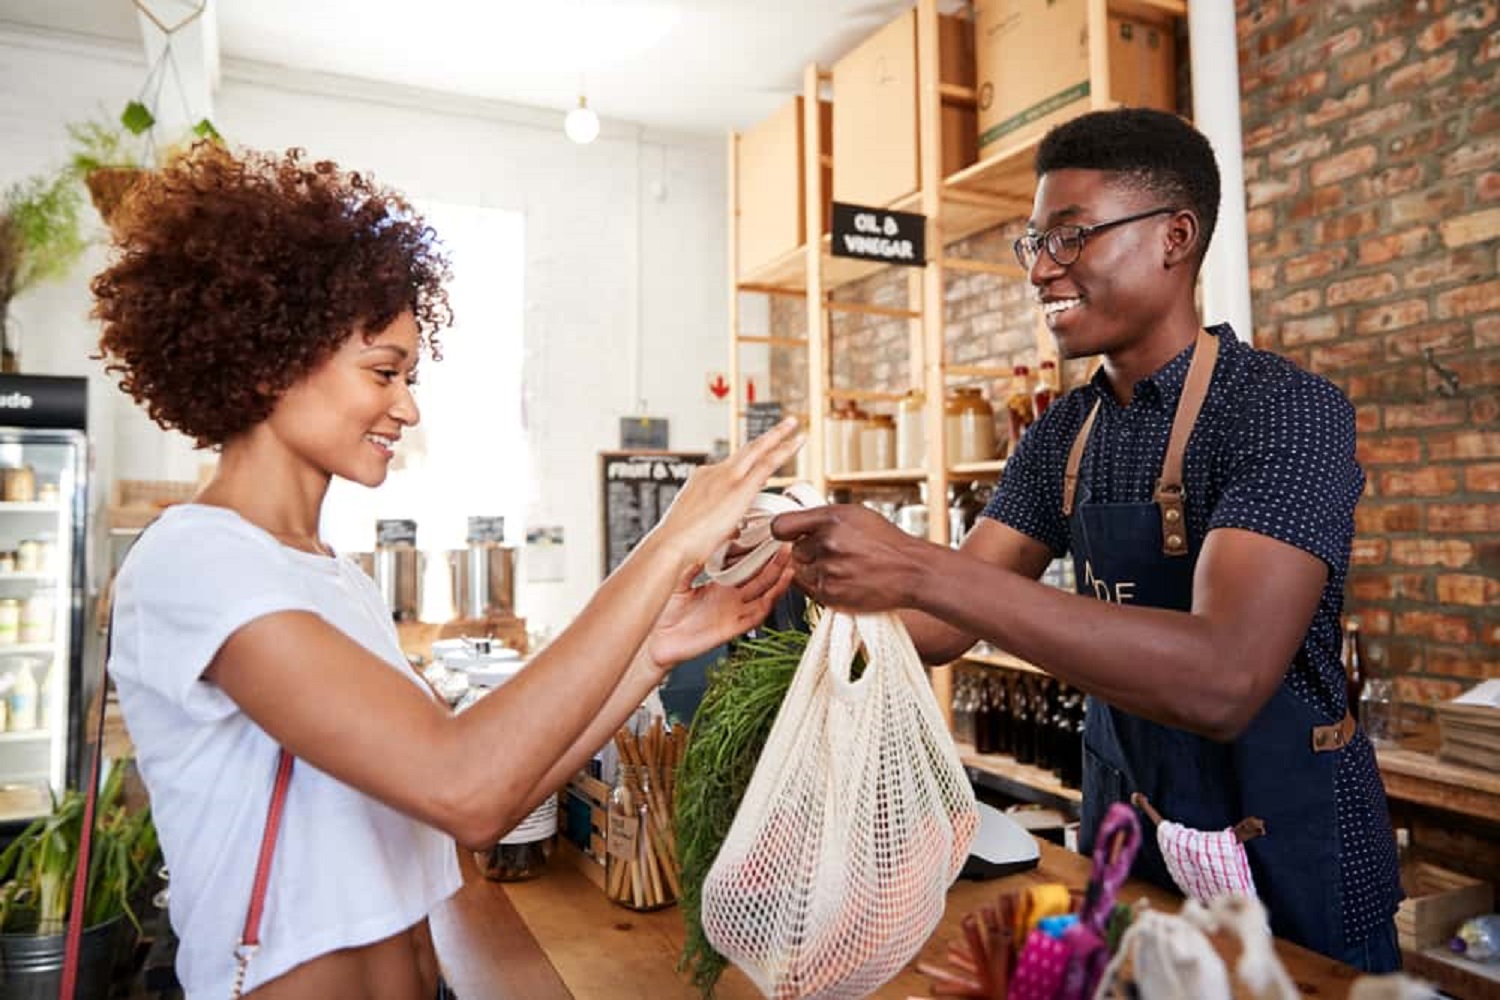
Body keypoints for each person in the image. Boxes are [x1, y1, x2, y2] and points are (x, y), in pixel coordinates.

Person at [91, 145, 803, 999]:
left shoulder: (335, 579)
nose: (408, 405)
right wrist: (664, 545)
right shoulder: (195, 562)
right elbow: (463, 784)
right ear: (266, 364)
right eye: (383, 372)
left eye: (411, 375)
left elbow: (497, 788)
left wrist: (651, 650)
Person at [770, 108, 1401, 973]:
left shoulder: (1286, 411)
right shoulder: (1062, 433)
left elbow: (1225, 678)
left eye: (1070, 238)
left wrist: (913, 564)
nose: (1042, 272)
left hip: (1293, 856)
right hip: (1130, 837)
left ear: (1175, 237)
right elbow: (948, 622)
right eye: (1033, 244)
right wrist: (790, 605)